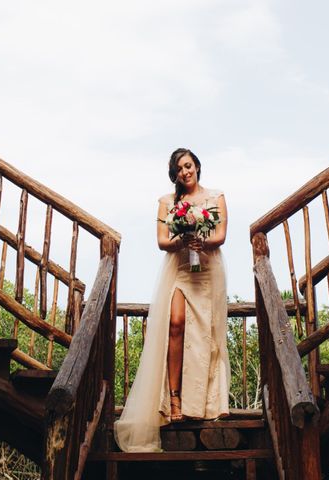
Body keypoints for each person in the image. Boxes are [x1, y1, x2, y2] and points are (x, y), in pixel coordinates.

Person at [114, 148, 231, 452]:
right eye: (179, 169)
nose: (185, 172)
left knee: (208, 333)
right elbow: (162, 241)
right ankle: (174, 397)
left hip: (208, 270)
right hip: (180, 269)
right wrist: (183, 238)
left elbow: (220, 236)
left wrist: (201, 239)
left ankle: (208, 402)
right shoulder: (168, 202)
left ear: (197, 167)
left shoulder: (216, 196)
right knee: (176, 324)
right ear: (174, 174)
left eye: (188, 166)